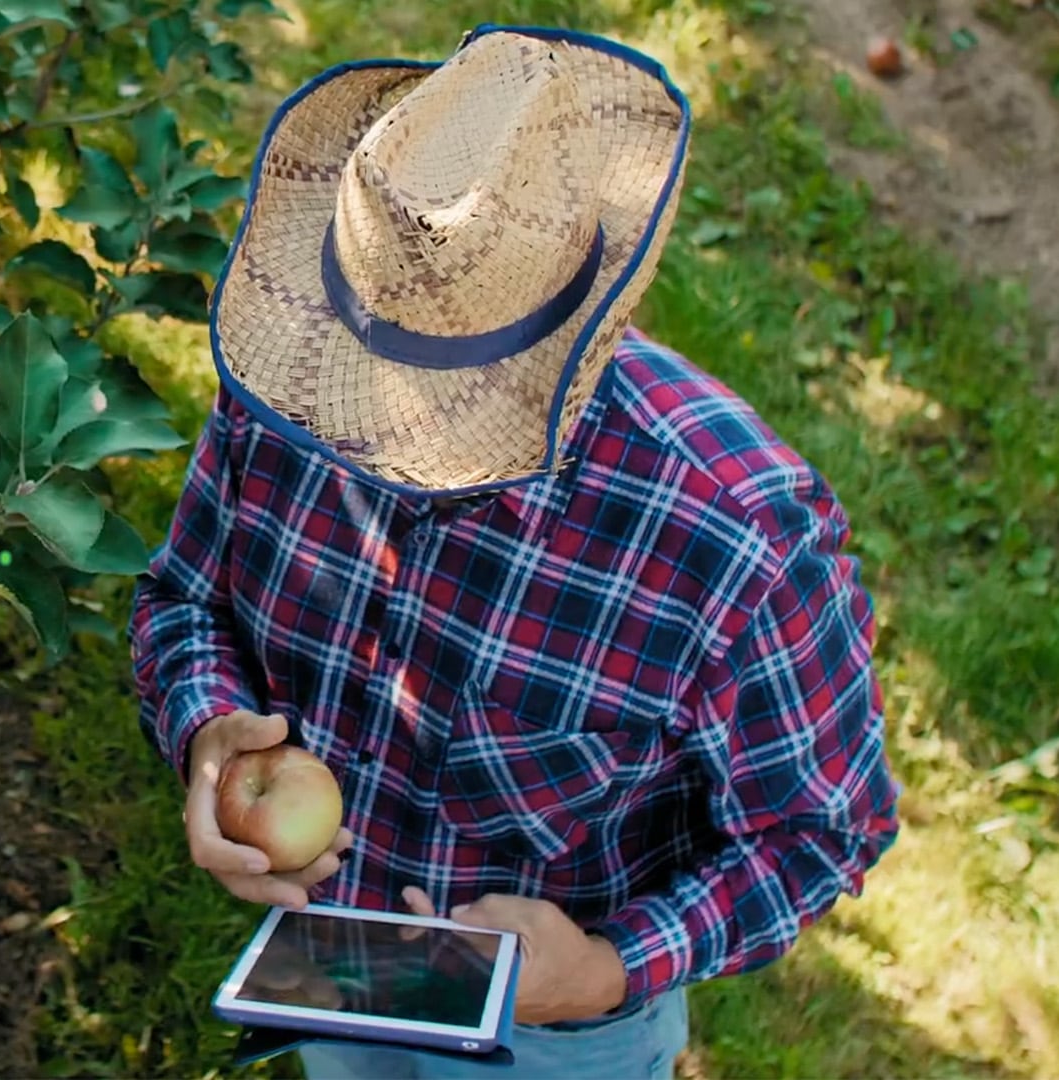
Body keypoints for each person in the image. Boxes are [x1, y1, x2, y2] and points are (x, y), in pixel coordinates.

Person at [127, 23, 902, 1080]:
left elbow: (819, 831)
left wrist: (606, 968)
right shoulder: (302, 384)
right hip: (333, 956)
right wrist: (210, 730)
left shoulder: (734, 541)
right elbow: (184, 600)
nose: (376, 443)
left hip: (553, 1032)